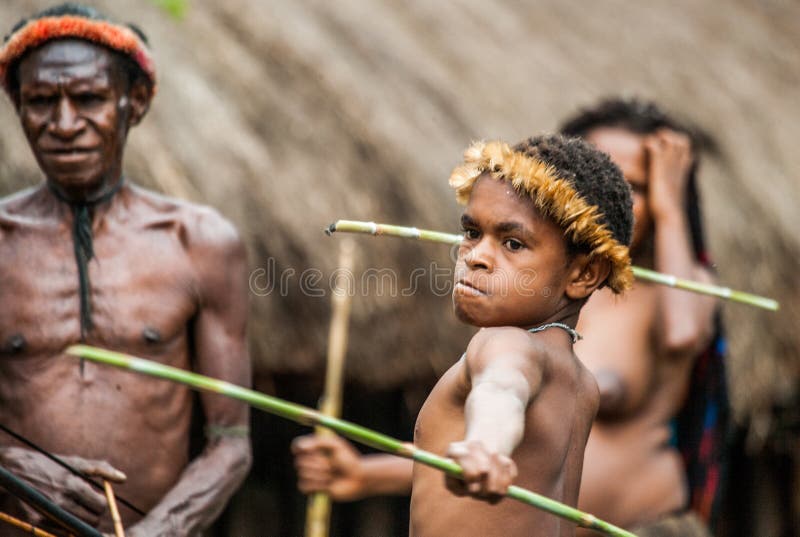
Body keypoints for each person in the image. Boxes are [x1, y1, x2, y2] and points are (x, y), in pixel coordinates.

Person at [299, 135, 635, 536]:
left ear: (583, 274)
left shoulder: (506, 344)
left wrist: (485, 445)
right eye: (473, 233)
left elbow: (501, 391)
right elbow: (518, 476)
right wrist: (365, 475)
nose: (475, 255)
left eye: (512, 243)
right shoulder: (581, 385)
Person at [0, 4, 252, 536]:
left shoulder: (200, 242)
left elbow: (230, 441)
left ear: (133, 103)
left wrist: (162, 529)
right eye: (42, 102)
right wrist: (12, 468)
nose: (64, 125)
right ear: (17, 106)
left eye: (88, 99)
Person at [560, 98, 726, 536]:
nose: (610, 199)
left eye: (634, 186)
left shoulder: (680, 290)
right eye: (593, 178)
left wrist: (672, 206)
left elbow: (683, 334)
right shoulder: (534, 289)